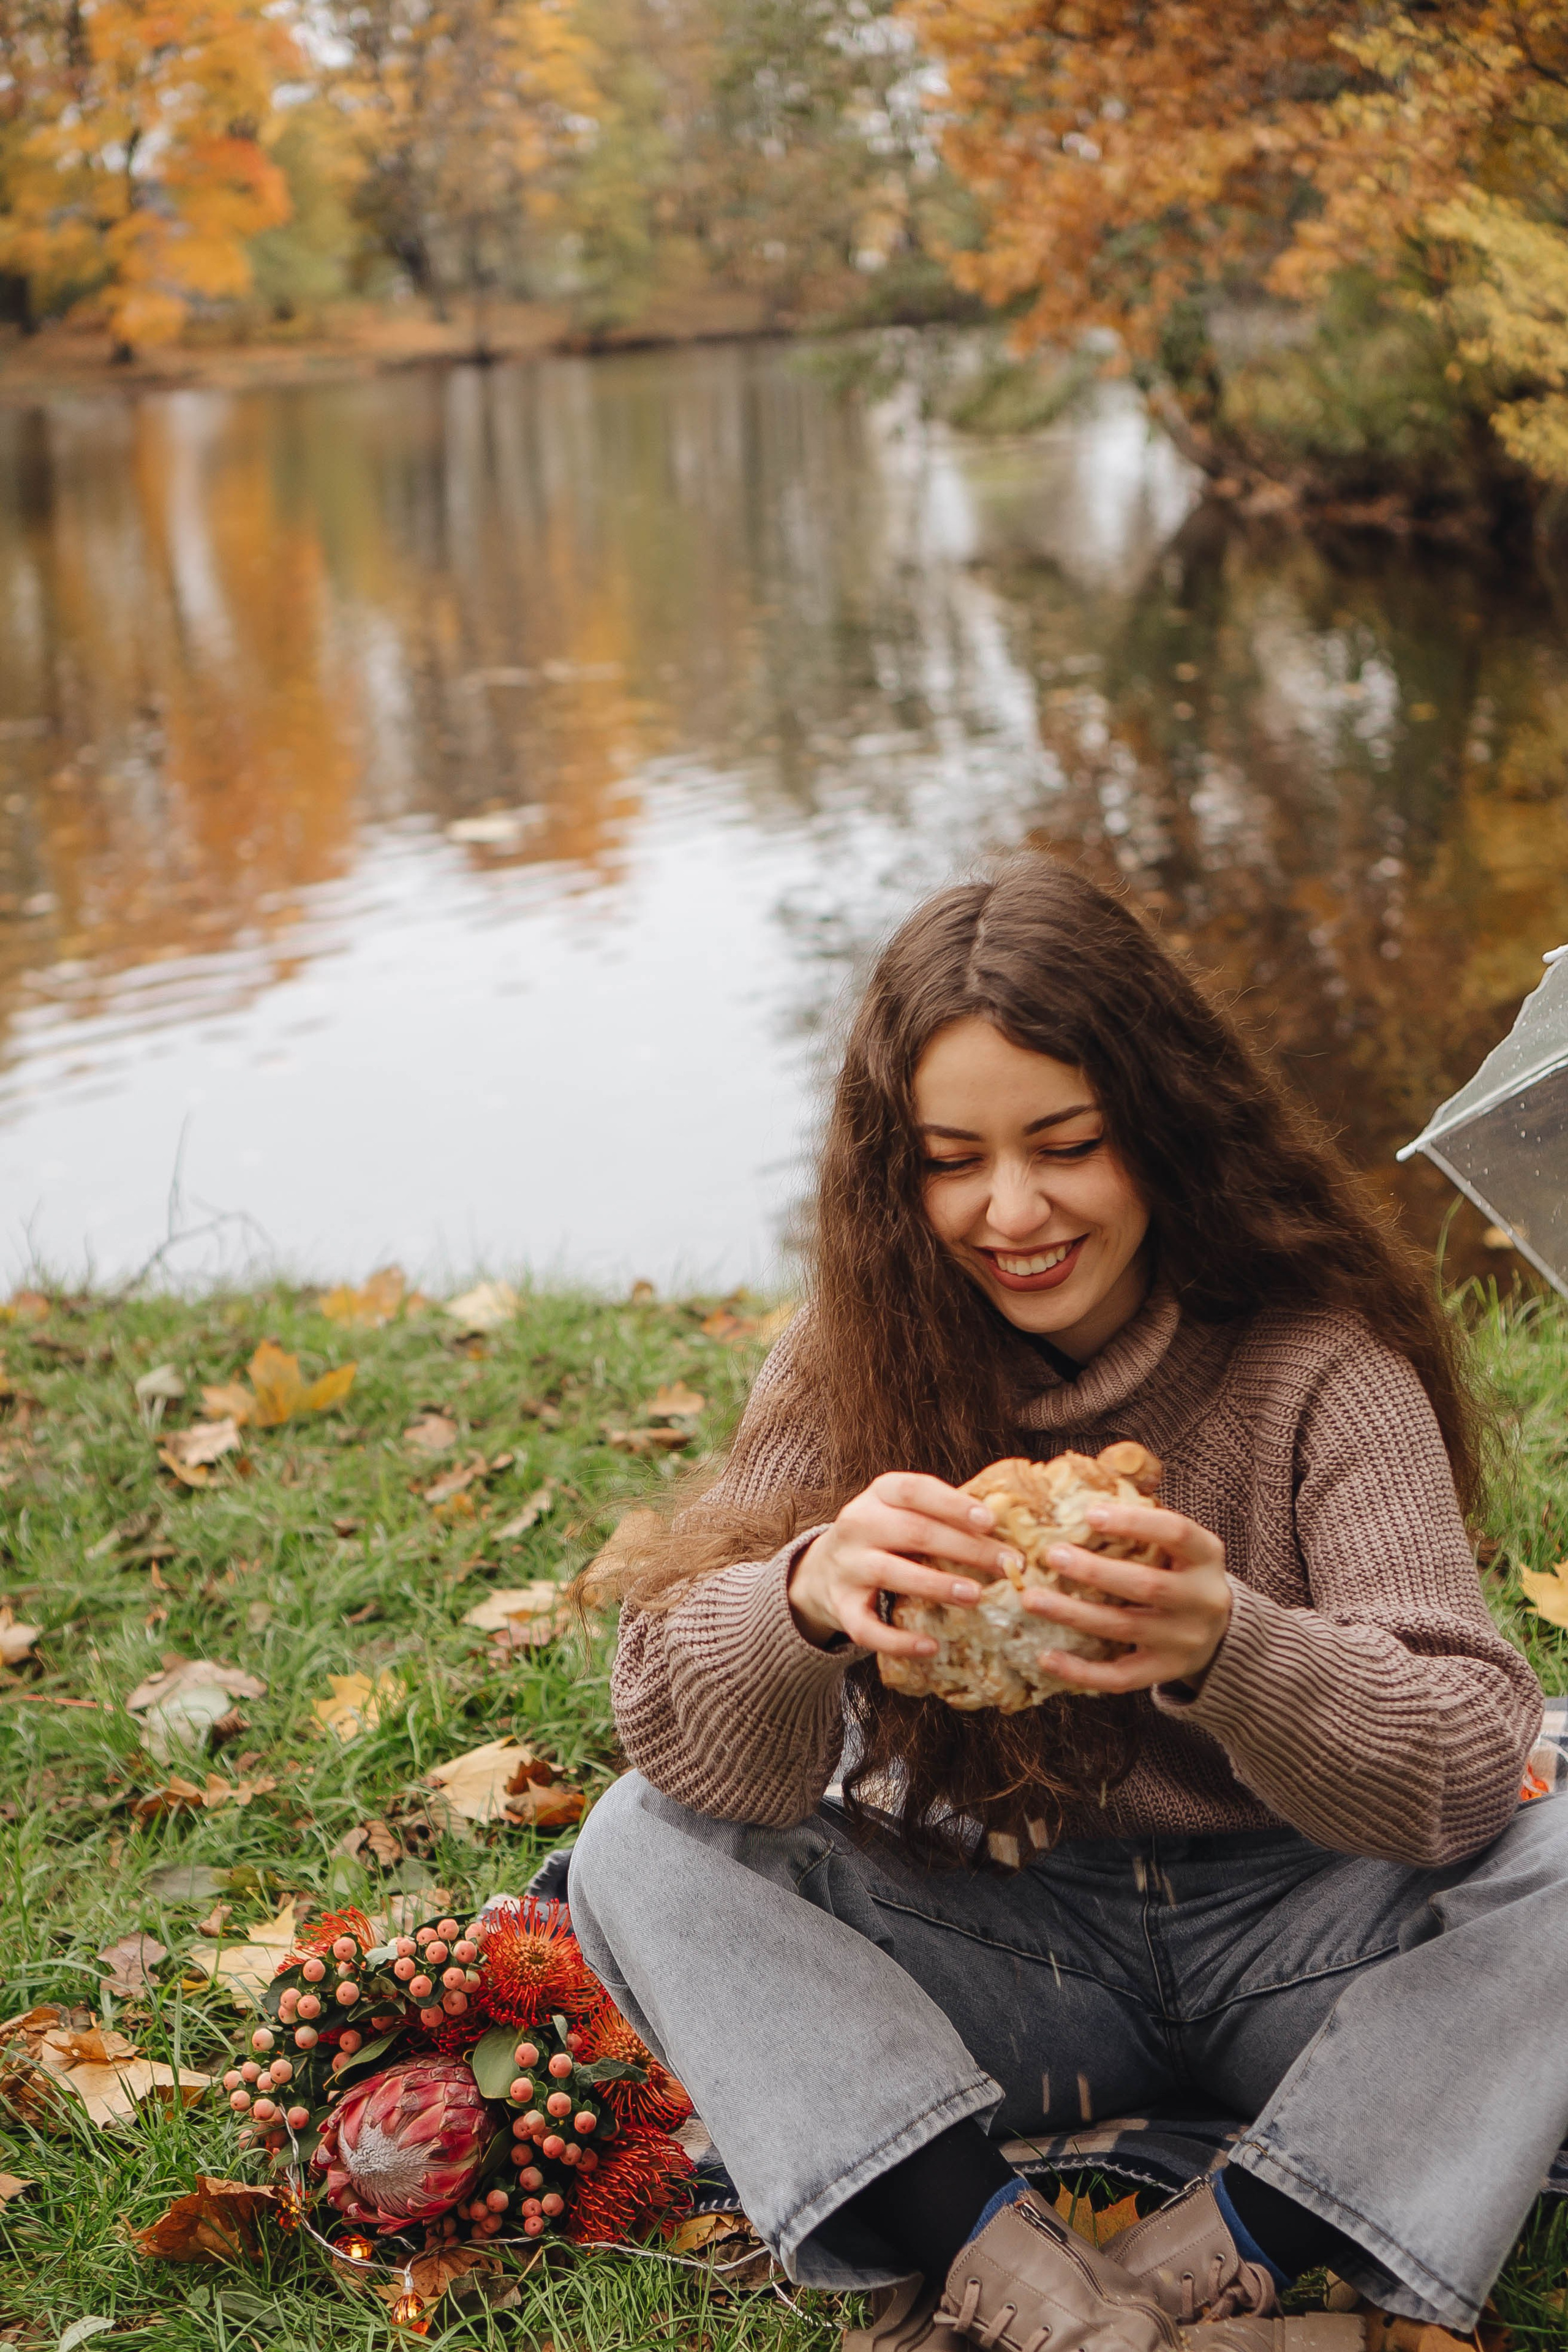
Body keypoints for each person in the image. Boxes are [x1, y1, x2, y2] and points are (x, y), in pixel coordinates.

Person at [568, 858, 1566, 2352]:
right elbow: (683, 1742)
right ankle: (1003, 2270)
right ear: (890, 1171)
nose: (1010, 1209)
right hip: (1011, 1953)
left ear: (1159, 1130)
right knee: (637, 1847)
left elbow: (1463, 1760)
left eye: (1065, 1144)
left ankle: (1217, 2259)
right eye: (950, 1158)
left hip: (1314, 1949)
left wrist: (1234, 1650)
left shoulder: (1320, 1361)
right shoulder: (853, 1357)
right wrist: (803, 1601)